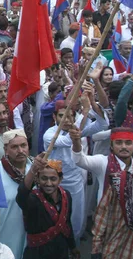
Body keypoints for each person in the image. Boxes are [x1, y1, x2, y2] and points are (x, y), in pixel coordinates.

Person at [43, 93, 108, 241]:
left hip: (75, 182)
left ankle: (75, 246)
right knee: (54, 218)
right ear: (55, 117)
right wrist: (84, 113)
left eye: (70, 116)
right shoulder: (49, 134)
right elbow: (67, 141)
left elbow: (103, 125)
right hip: (54, 183)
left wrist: (91, 105)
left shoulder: (78, 129)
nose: (66, 120)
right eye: (62, 116)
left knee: (76, 218)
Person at [16, 156, 78, 259]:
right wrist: (33, 169)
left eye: (53, 179)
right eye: (44, 178)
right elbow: (21, 195)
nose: (48, 183)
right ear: (37, 179)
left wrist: (72, 246)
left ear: (60, 179)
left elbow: (67, 224)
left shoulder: (66, 196)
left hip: (61, 251)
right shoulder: (32, 199)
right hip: (38, 254)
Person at [0, 129, 33, 258]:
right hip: (6, 233)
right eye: (14, 147)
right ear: (6, 149)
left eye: (23, 145)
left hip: (32, 235)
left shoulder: (35, 169)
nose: (20, 150)